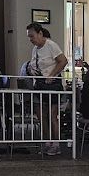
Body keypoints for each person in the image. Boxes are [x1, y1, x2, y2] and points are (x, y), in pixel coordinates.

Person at [26, 22, 68, 155]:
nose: (31, 40)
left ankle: (56, 144)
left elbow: (63, 60)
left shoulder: (51, 45)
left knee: (52, 115)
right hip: (39, 85)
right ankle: (47, 142)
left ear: (40, 33)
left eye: (32, 36)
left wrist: (52, 74)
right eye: (29, 37)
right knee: (41, 116)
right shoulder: (35, 49)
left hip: (51, 86)